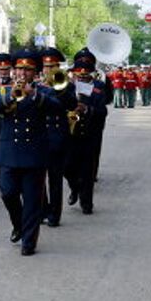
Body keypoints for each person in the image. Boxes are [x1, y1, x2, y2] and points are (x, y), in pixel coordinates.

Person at [0, 49, 62, 256]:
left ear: (35, 72)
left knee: (32, 200)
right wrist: (10, 96)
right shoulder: (4, 90)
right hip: (9, 152)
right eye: (18, 68)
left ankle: (29, 241)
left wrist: (33, 94)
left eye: (27, 69)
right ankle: (18, 224)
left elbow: (57, 108)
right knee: (8, 193)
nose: (21, 73)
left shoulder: (44, 91)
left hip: (34, 153)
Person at [65, 60, 109, 214]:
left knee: (87, 171)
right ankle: (75, 188)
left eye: (84, 75)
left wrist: (87, 109)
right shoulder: (68, 86)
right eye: (78, 74)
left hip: (89, 134)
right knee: (67, 167)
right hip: (70, 135)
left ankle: (86, 203)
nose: (81, 77)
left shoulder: (98, 87)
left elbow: (102, 111)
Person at [40, 48, 77, 227]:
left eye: (53, 66)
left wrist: (58, 88)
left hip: (57, 136)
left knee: (55, 177)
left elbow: (72, 104)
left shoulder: (67, 85)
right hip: (39, 136)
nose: (49, 69)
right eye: (47, 66)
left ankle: (54, 214)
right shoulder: (36, 85)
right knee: (39, 178)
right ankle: (43, 210)